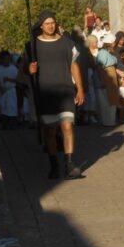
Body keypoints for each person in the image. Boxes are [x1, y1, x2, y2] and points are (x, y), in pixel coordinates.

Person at [21, 11, 85, 179]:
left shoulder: (67, 43)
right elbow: (24, 69)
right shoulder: (32, 46)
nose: (51, 26)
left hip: (66, 92)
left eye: (53, 23)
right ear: (41, 26)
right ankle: (54, 165)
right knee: (49, 132)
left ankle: (69, 164)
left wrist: (80, 89)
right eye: (47, 23)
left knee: (67, 126)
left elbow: (74, 66)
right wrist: (30, 69)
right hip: (46, 94)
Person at [0, 50, 18, 129]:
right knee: (3, 107)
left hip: (11, 90)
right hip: (2, 91)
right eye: (5, 59)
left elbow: (18, 80)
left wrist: (9, 79)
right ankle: (5, 125)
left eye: (8, 59)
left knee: (12, 107)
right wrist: (1, 89)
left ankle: (13, 125)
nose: (6, 61)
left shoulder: (14, 69)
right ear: (1, 60)